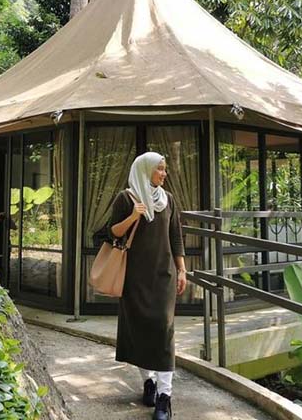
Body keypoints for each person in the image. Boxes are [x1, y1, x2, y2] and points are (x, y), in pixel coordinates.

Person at [108, 151, 187, 420]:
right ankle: (149, 382)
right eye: (159, 169)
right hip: (134, 278)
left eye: (164, 169)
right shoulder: (126, 198)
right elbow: (112, 232)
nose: (164, 173)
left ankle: (165, 398)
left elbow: (175, 237)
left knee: (163, 332)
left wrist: (182, 270)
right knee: (140, 331)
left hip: (163, 277)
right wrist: (133, 216)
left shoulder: (169, 200)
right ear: (145, 170)